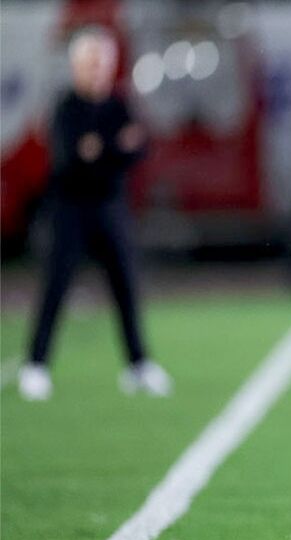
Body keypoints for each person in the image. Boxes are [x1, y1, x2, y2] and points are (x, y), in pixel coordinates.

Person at [19, 26, 171, 402]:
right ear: (75, 66)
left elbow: (137, 149)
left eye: (103, 62)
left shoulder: (119, 104)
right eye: (90, 62)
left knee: (125, 287)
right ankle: (35, 365)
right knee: (55, 286)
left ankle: (138, 365)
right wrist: (111, 150)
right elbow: (70, 158)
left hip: (110, 207)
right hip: (70, 209)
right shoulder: (65, 106)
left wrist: (101, 151)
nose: (97, 69)